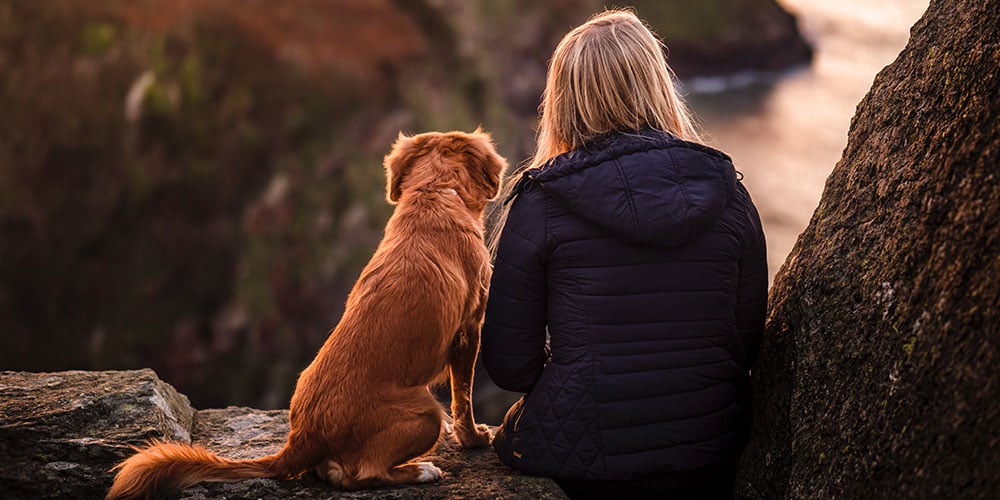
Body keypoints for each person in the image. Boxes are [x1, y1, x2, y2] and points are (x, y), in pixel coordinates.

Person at [481, 9, 767, 500]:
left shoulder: (543, 200)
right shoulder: (726, 189)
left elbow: (510, 367)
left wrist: (583, 369)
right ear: (658, 84)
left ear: (564, 100)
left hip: (585, 467)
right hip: (709, 452)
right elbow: (744, 342)